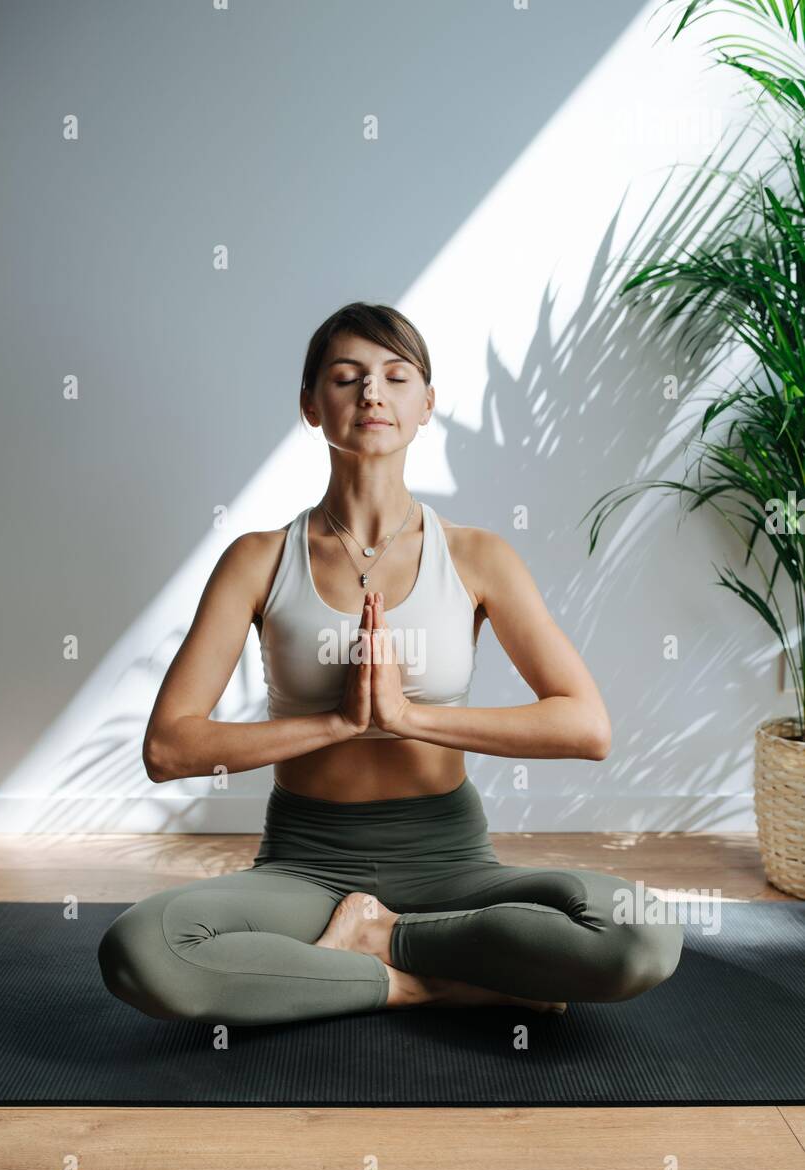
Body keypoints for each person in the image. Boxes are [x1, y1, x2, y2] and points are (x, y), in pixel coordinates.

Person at [97, 302, 683, 1026]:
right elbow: (169, 747)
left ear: (426, 404)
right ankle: (426, 984)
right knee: (142, 950)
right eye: (347, 378)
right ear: (312, 406)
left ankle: (376, 943)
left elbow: (586, 727)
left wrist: (409, 718)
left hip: (453, 863)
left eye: (396, 376)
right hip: (304, 866)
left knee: (638, 934)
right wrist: (340, 721)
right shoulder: (257, 560)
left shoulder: (477, 557)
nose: (372, 393)